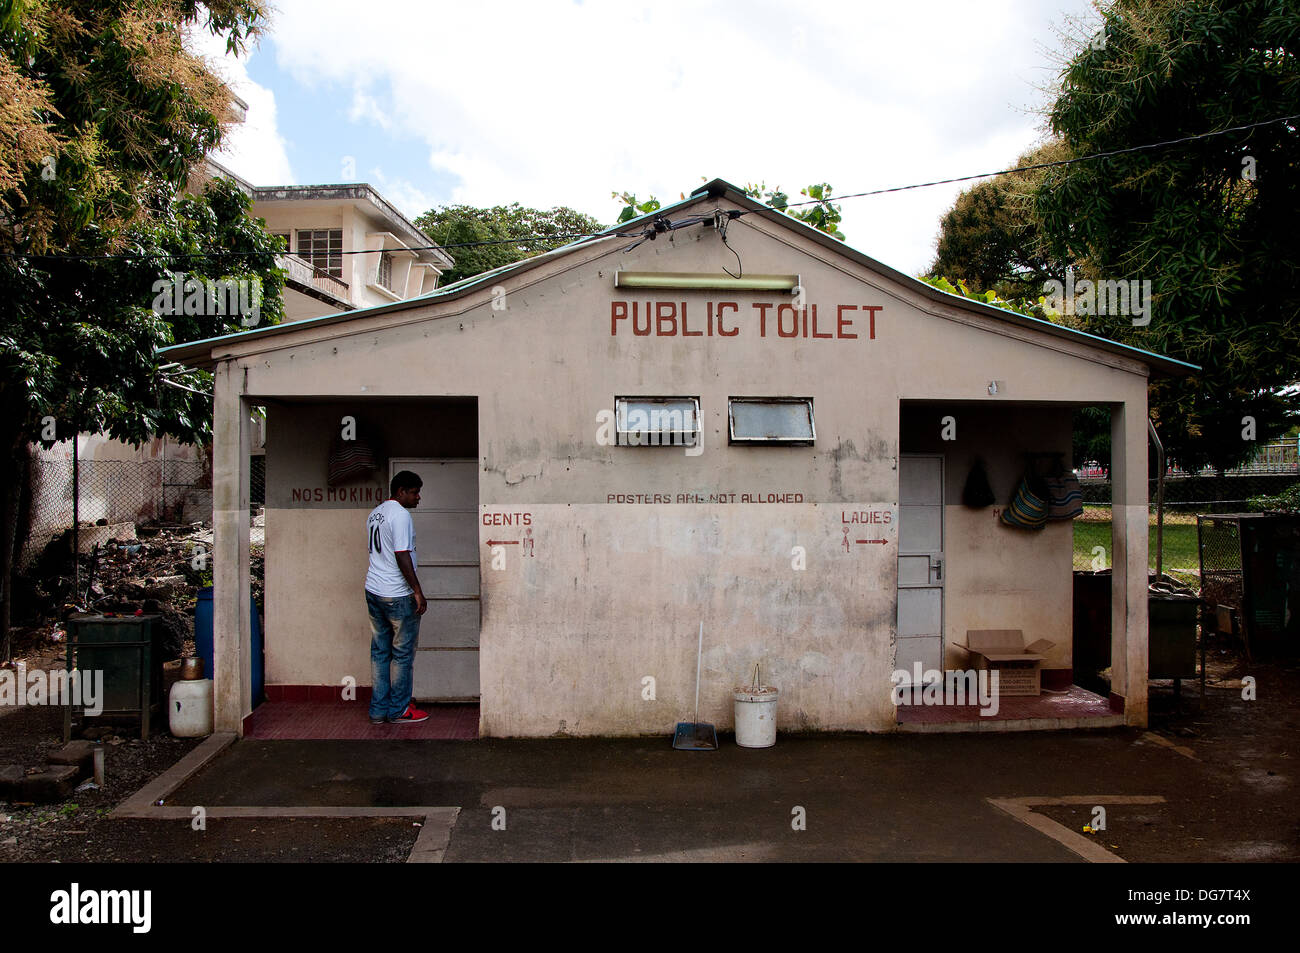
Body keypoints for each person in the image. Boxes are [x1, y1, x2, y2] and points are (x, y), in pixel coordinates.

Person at [364, 470, 429, 724]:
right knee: (402, 654)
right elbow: (402, 554)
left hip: (374, 589)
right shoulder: (401, 515)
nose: (418, 497)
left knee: (380, 652)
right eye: (414, 492)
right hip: (397, 594)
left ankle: (379, 710)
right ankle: (400, 709)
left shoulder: (375, 513)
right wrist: (417, 591)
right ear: (400, 491)